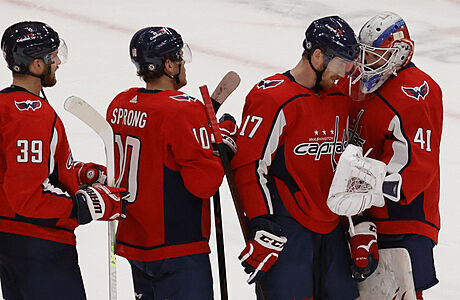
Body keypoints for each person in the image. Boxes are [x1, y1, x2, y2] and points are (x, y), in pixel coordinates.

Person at [231, 16, 361, 299]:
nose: (346, 73)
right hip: (287, 229)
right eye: (341, 63)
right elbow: (249, 166)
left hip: (333, 225)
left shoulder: (340, 95)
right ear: (317, 55)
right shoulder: (273, 97)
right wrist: (261, 223)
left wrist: (360, 223)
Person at [106, 26, 237, 300]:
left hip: (136, 240)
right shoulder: (183, 110)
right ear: (167, 64)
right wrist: (222, 144)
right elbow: (203, 184)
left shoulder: (119, 104)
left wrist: (203, 132)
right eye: (179, 58)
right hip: (177, 247)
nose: (183, 64)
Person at [0, 21, 129, 299]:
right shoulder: (32, 114)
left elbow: (18, 169)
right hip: (39, 246)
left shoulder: (5, 105)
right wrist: (86, 204)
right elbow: (28, 198)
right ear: (36, 65)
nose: (57, 62)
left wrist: (76, 173)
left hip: (12, 243)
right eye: (52, 56)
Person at [336, 11, 442, 299]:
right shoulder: (357, 82)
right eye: (365, 55)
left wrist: (358, 190)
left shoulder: (417, 91)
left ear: (400, 52)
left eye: (375, 56)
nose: (366, 63)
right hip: (362, 214)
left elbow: (415, 169)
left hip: (404, 218)